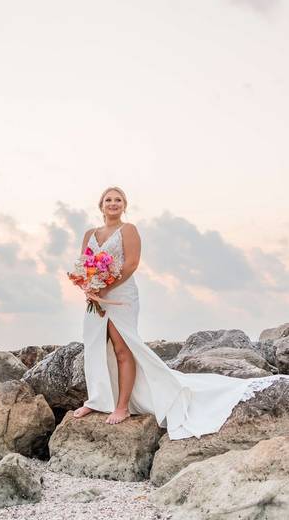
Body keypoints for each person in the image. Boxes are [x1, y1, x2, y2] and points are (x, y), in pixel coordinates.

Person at [70, 186, 266, 439]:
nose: (113, 203)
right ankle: (97, 400)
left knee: (123, 347)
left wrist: (105, 287)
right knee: (95, 346)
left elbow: (130, 265)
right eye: (109, 200)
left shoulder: (128, 231)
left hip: (121, 295)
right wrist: (89, 287)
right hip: (95, 296)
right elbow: (85, 264)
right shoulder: (90, 233)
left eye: (118, 200)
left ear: (124, 205)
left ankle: (122, 406)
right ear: (101, 205)